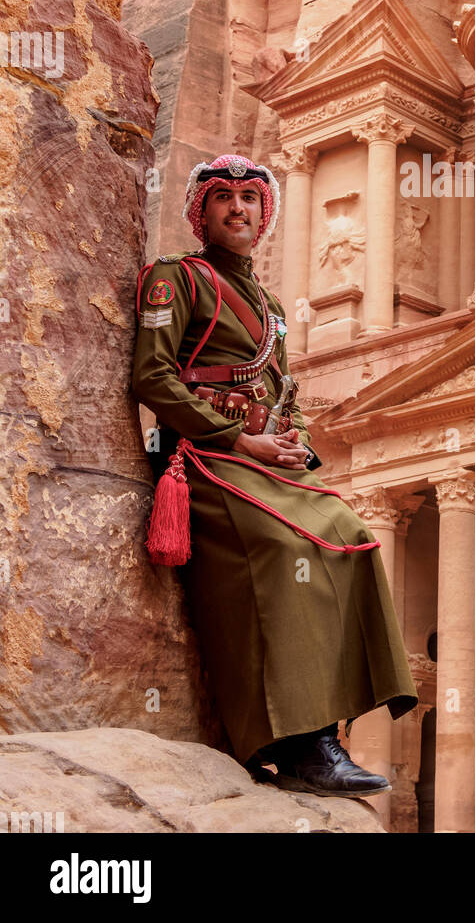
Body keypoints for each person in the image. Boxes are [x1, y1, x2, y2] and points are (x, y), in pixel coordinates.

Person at [131, 153, 418, 797]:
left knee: (352, 534)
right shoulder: (174, 280)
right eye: (223, 197)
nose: (238, 207)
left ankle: (328, 731)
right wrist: (241, 439)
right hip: (204, 454)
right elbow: (152, 377)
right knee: (287, 546)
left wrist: (294, 444)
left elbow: (283, 392)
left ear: (265, 216)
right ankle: (294, 746)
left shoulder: (269, 304)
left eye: (250, 199)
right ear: (200, 213)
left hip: (264, 455)